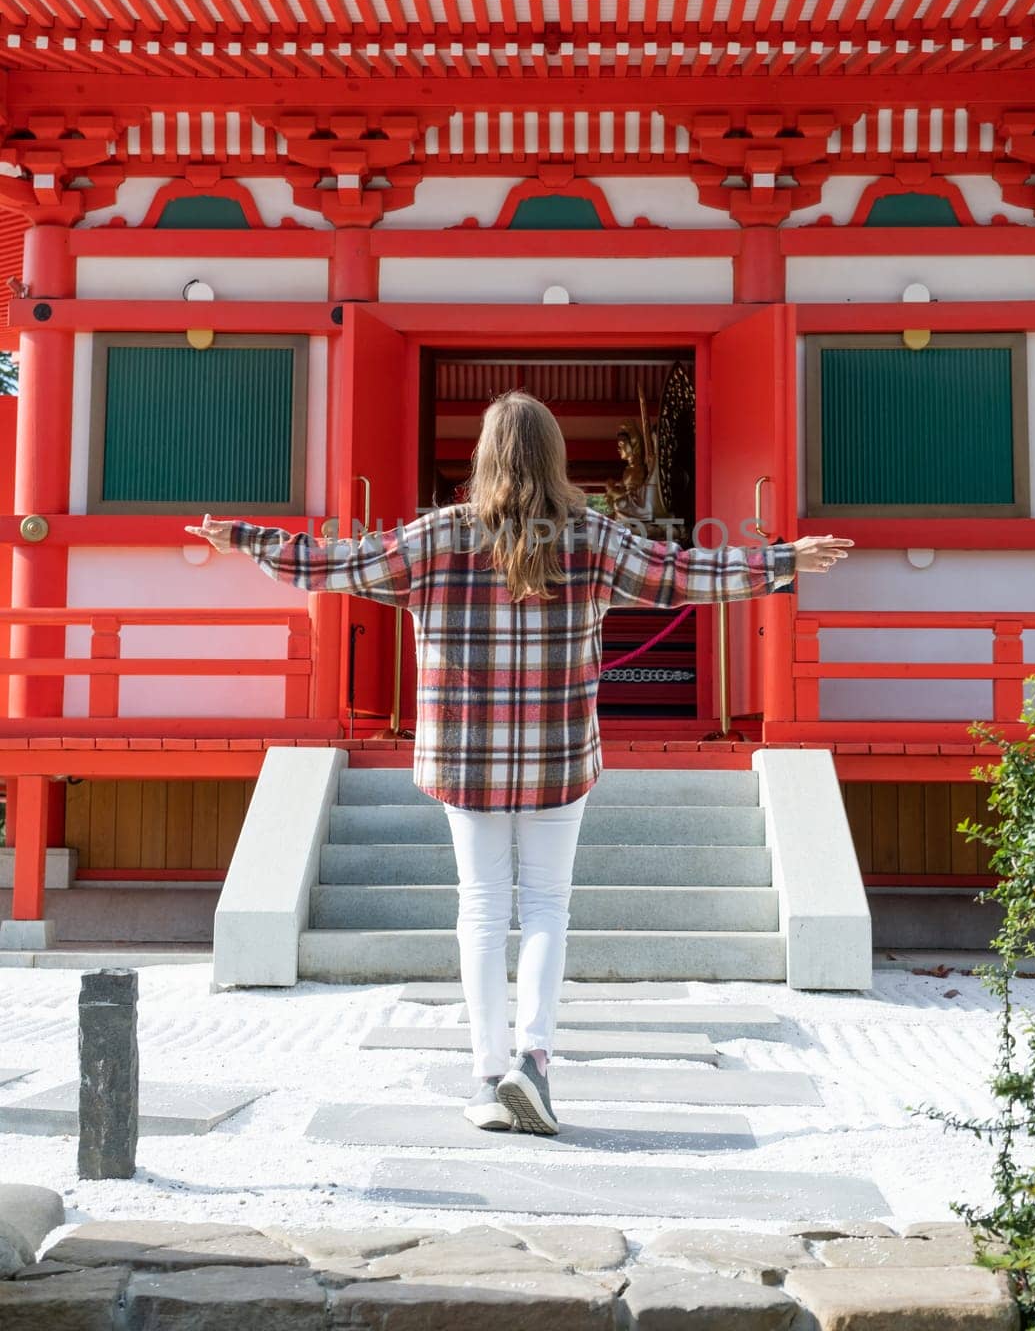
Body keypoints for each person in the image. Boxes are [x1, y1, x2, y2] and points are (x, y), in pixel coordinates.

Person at [187, 390, 851, 1138]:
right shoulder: (592, 536)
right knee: (544, 908)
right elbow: (684, 573)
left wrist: (246, 537)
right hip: (558, 750)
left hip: (463, 750)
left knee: (479, 908)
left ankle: (484, 1074)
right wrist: (779, 561)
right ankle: (533, 1063)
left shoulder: (437, 537)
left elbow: (336, 563)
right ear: (554, 457)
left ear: (484, 456)